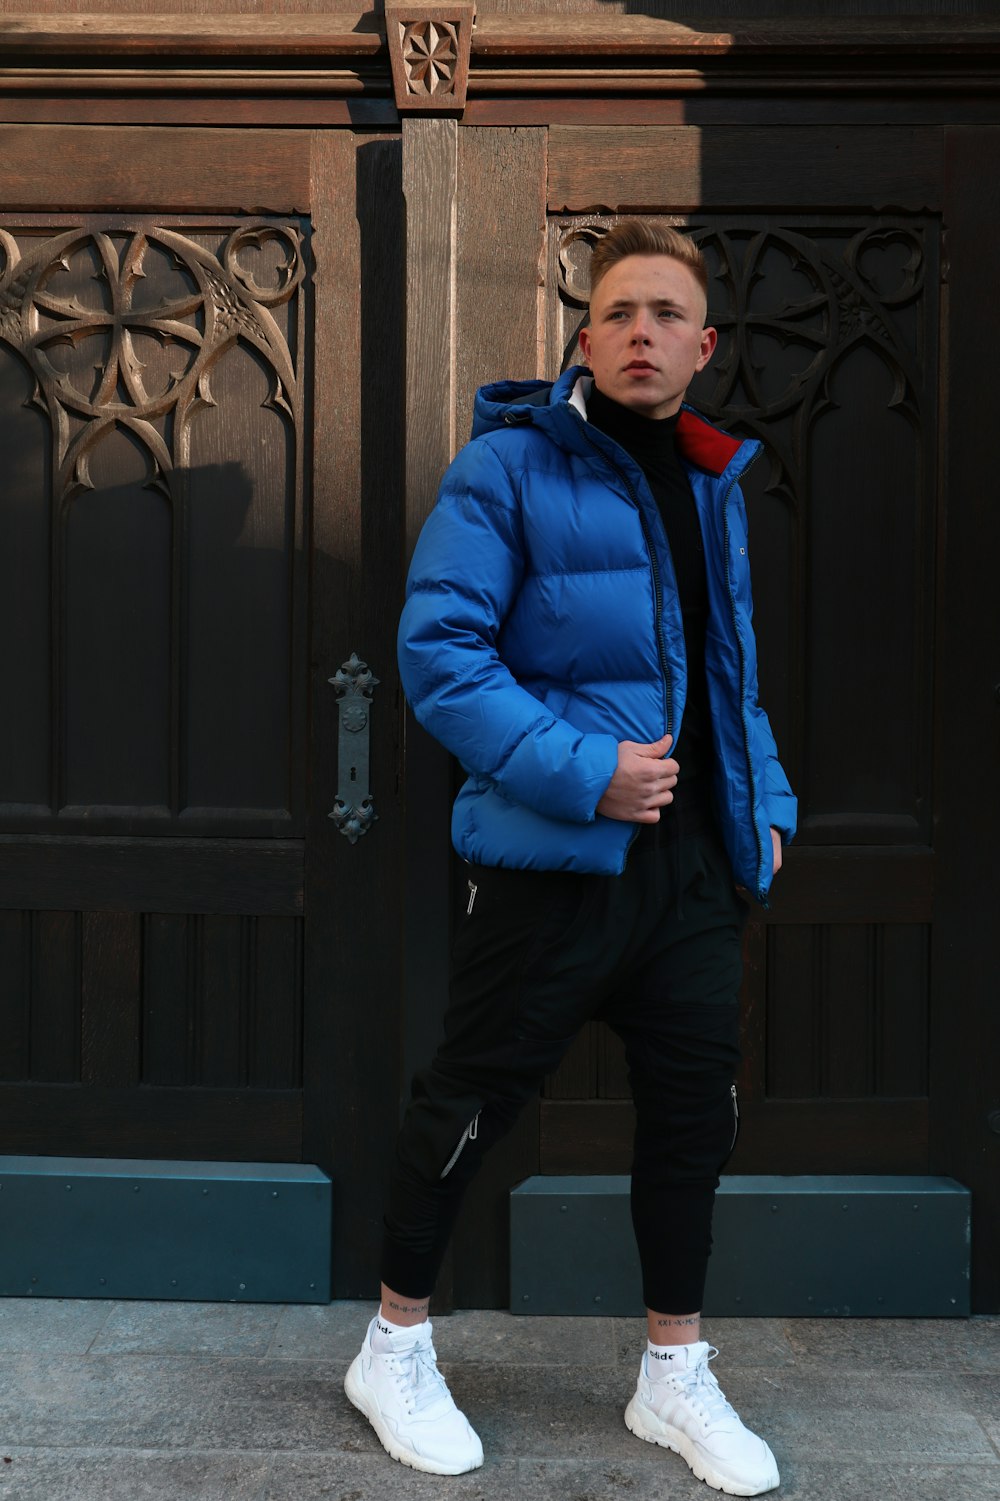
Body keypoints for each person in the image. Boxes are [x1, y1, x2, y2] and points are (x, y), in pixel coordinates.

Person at [344, 219, 796, 1496]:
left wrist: (766, 798)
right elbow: (439, 659)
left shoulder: (712, 482)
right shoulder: (507, 471)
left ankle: (673, 1373)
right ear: (583, 339)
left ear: (702, 347)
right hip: (553, 861)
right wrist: (582, 771)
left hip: (696, 870)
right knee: (469, 1099)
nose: (641, 331)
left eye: (666, 314)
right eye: (618, 312)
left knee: (690, 1121)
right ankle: (392, 1343)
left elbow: (730, 673)